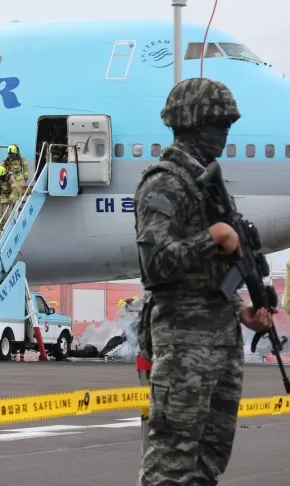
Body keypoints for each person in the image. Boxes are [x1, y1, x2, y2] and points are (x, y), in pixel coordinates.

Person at [134, 77, 273, 486]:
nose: (224, 135)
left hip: (220, 338)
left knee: (210, 457)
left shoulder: (210, 183)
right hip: (182, 343)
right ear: (192, 122)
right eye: (218, 125)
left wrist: (243, 311)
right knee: (171, 461)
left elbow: (209, 277)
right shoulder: (164, 182)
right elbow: (155, 264)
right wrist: (211, 238)